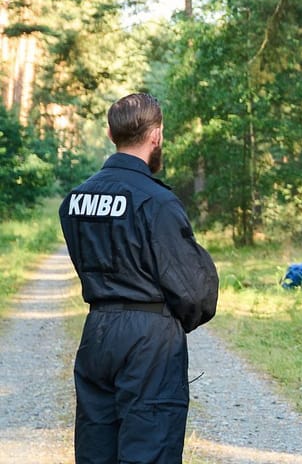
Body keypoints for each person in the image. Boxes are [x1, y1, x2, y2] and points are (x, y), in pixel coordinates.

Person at [59, 92, 219, 464]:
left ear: (111, 134)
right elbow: (195, 291)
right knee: (151, 447)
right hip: (149, 337)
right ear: (156, 136)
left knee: (97, 447)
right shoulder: (156, 200)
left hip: (98, 331)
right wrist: (170, 323)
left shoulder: (76, 199)